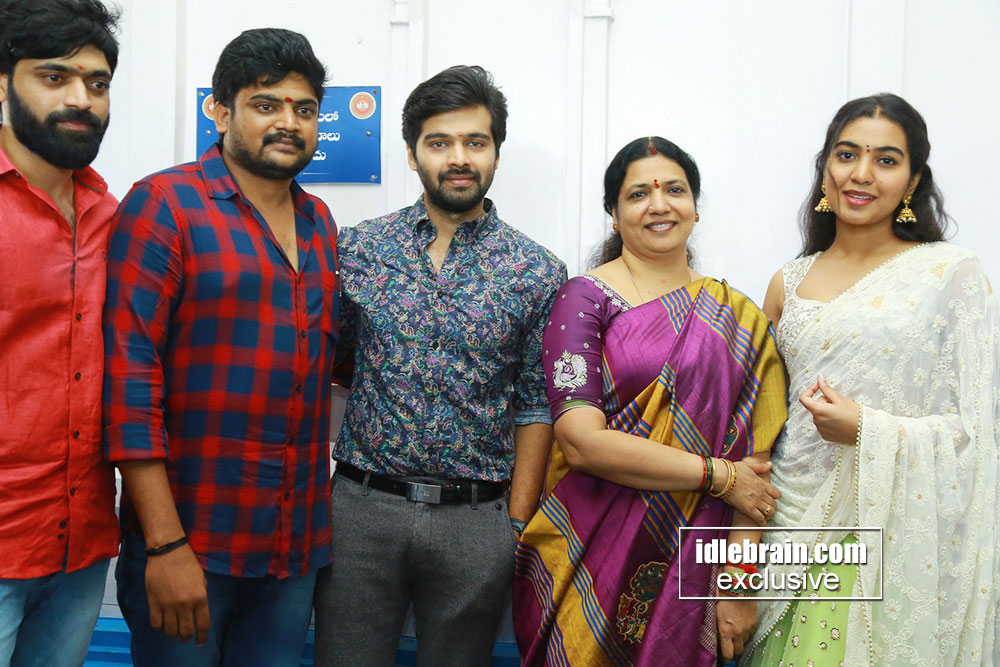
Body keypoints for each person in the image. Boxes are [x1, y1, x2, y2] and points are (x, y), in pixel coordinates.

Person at [313, 64, 567, 666]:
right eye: (439, 143)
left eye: (475, 142)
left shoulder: (537, 271)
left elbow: (536, 404)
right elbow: (327, 365)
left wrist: (514, 523)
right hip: (361, 511)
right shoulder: (359, 249)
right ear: (412, 154)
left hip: (476, 521)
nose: (458, 158)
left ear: (496, 153)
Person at [102, 29, 338, 667]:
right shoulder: (166, 204)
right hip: (192, 543)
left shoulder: (319, 222)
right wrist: (163, 545)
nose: (288, 122)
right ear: (221, 110)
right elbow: (129, 382)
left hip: (293, 548)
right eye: (266, 104)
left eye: (305, 109)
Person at [743, 94, 1000, 666]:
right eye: (847, 155)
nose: (861, 174)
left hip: (885, 536)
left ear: (912, 181)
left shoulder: (950, 273)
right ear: (825, 170)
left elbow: (978, 435)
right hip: (786, 527)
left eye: (886, 160)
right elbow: (758, 427)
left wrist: (869, 429)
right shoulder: (788, 283)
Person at [512, 136, 787, 666]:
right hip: (585, 551)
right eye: (639, 194)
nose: (659, 205)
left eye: (674, 191)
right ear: (615, 217)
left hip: (696, 566)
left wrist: (739, 585)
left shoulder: (739, 318)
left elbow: (756, 473)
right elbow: (581, 442)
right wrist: (718, 476)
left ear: (695, 208)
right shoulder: (583, 300)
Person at [0, 1, 121, 665]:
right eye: (54, 77)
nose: (81, 98)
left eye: (97, 83)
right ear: (3, 83)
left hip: (82, 541)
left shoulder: (115, 215)